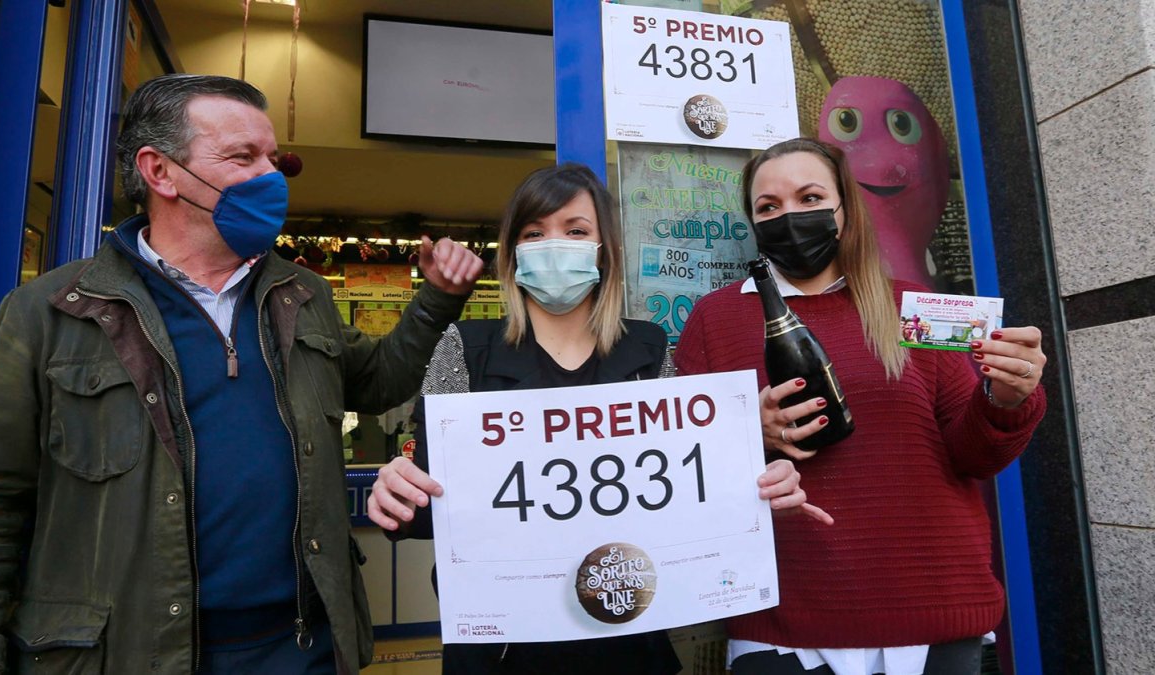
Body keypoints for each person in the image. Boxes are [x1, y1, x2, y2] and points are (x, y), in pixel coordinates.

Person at [0, 74, 483, 674]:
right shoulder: (51, 311)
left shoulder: (300, 293)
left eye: (273, 158)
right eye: (242, 156)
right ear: (160, 172)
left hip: (300, 649)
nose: (271, 176)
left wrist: (438, 297)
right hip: (125, 655)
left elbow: (379, 381)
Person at [367, 163, 830, 674]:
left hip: (629, 643)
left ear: (603, 248)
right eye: (534, 233)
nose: (554, 244)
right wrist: (397, 495)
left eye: (576, 231)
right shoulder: (463, 350)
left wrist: (759, 488)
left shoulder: (650, 350)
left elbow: (691, 492)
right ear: (514, 252)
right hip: (501, 652)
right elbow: (433, 510)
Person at [674, 137, 1048, 675]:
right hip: (784, 627)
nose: (790, 217)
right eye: (768, 207)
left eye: (809, 198)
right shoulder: (715, 319)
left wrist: (1006, 397)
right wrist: (744, 435)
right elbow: (687, 476)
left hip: (933, 613)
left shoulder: (912, 307)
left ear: (844, 209)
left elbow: (974, 456)